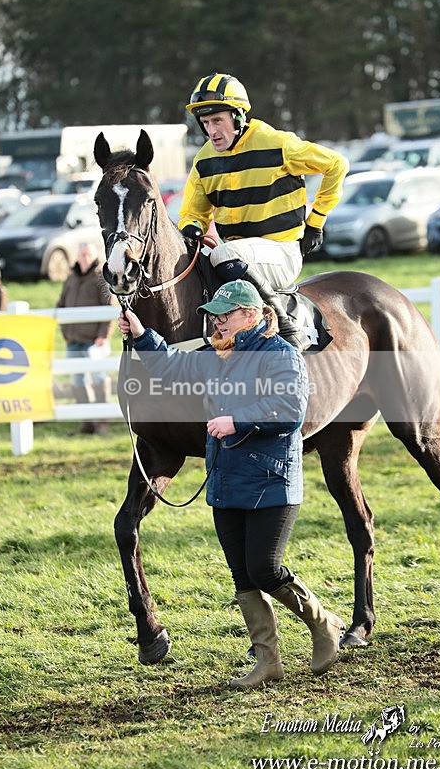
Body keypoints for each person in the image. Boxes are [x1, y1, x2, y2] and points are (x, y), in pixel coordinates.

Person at [118, 279, 345, 688]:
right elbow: (172, 364)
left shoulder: (280, 355)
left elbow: (290, 408)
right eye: (214, 316)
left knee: (265, 568)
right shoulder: (216, 356)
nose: (217, 323)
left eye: (225, 315)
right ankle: (267, 662)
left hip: (269, 481)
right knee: (242, 574)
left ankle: (324, 623)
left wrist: (236, 421)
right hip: (225, 481)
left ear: (254, 315)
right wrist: (141, 335)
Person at [179, 73, 349, 351]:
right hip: (237, 259)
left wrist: (316, 222)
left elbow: (337, 164)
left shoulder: (278, 144)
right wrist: (191, 226)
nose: (212, 131)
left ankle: (285, 325)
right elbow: (192, 213)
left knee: (223, 253)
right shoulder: (204, 160)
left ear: (238, 116)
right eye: (206, 123)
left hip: (280, 253)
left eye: (218, 120)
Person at [57, 242, 116, 434]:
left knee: (99, 377)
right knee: (77, 380)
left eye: (88, 254)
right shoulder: (71, 279)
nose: (85, 258)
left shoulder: (101, 278)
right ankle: (87, 421)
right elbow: (61, 305)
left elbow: (109, 308)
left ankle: (101, 421)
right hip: (73, 340)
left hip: (93, 340)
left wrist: (103, 336)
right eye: (82, 254)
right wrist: (66, 331)